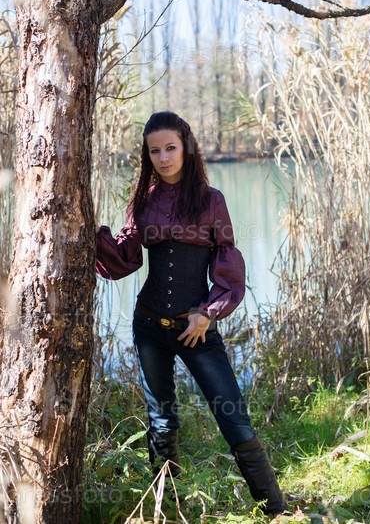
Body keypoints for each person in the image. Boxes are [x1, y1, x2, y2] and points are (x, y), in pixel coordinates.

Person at [95, 111, 286, 517]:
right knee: (161, 420)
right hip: (149, 325)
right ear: (147, 155)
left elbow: (227, 259)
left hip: (196, 327)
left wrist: (207, 313)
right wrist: (91, 234)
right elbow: (126, 257)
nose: (163, 157)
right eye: (155, 151)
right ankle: (168, 507)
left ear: (186, 147)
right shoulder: (143, 200)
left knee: (232, 415)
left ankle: (276, 510)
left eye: (170, 148)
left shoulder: (210, 200)